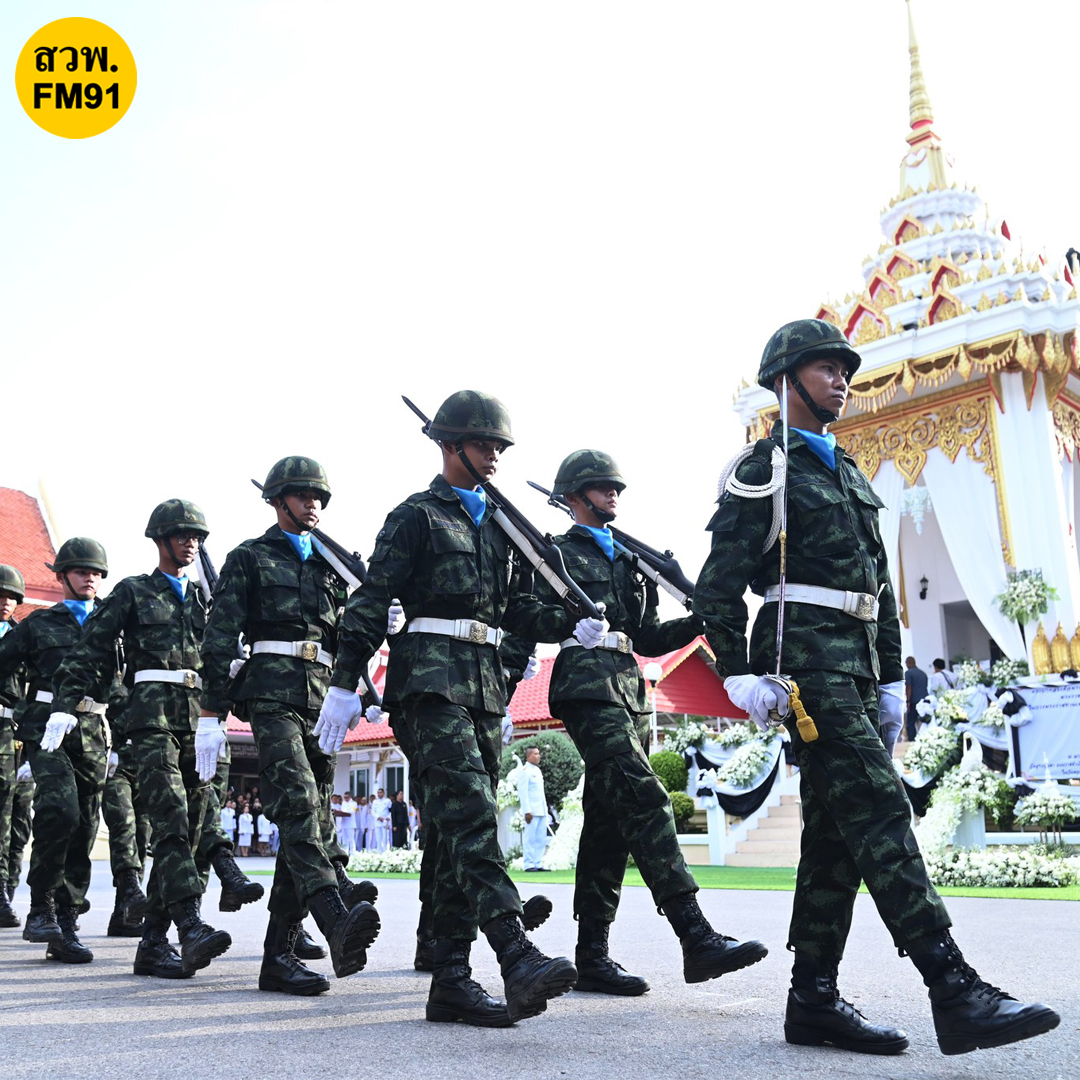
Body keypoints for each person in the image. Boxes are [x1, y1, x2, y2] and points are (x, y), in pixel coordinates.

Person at [695, 318, 1060, 1057]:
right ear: (785, 380)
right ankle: (953, 988)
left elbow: (881, 588)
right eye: (825, 368)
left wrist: (892, 679)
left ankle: (813, 1000)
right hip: (805, 670)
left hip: (858, 670)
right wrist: (736, 672)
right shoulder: (763, 471)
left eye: (844, 369)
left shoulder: (850, 473)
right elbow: (717, 589)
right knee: (879, 806)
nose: (842, 380)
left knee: (835, 836)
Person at [319, 389, 588, 1027]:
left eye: (499, 446)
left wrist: (571, 622)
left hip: (484, 690)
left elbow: (518, 612)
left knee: (450, 836)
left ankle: (451, 978)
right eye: (483, 444)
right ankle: (515, 953)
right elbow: (371, 600)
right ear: (449, 445)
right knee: (471, 814)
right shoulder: (415, 516)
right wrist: (345, 681)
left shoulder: (501, 528)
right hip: (428, 685)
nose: (494, 455)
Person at [536, 449, 767, 995]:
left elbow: (647, 638)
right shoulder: (554, 554)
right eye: (601, 486)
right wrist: (566, 621)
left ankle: (592, 955)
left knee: (609, 821)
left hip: (629, 691)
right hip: (585, 687)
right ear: (574, 497)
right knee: (643, 796)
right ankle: (695, 935)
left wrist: (697, 620)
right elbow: (525, 613)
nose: (613, 493)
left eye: (616, 486)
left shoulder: (627, 561)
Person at [200, 456, 379, 997]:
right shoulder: (250, 557)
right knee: (298, 802)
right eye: (302, 496)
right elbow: (219, 636)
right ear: (278, 501)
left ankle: (278, 955)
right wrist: (210, 714)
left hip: (321, 700)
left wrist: (379, 626)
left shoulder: (333, 566)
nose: (312, 504)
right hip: (270, 694)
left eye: (318, 497)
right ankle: (333, 914)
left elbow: (345, 636)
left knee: (314, 816)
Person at [54, 505, 231, 979]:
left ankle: (153, 941)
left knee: (193, 829)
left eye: (196, 536)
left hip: (199, 723)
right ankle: (190, 924)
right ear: (160, 539)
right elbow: (89, 650)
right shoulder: (133, 592)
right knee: (170, 818)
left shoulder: (208, 598)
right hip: (150, 720)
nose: (191, 543)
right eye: (181, 535)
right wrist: (63, 705)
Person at [0, 540, 115, 964]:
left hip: (93, 731)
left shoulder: (111, 623)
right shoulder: (38, 624)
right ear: (62, 576)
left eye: (96, 573)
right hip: (46, 730)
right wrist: (15, 710)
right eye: (82, 571)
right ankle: (41, 907)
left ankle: (66, 924)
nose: (90, 578)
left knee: (85, 825)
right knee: (60, 811)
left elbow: (124, 681)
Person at [0, 565, 27, 929]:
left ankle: (9, 887)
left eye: (12, 597)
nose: (6, 602)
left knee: (20, 818)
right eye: (0, 595)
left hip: (20, 735)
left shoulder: (25, 638)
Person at [517, 747, 549, 871]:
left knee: (541, 838)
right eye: (536, 754)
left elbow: (540, 793)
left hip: (541, 809)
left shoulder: (537, 770)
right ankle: (529, 864)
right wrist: (527, 811)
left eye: (538, 753)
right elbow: (523, 792)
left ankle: (538, 862)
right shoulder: (524, 771)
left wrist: (545, 809)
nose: (538, 756)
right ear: (528, 756)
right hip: (532, 811)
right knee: (530, 838)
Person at [903, 657, 929, 743]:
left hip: (914, 701)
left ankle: (912, 741)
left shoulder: (908, 673)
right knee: (924, 721)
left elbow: (908, 687)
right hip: (925, 701)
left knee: (910, 723)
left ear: (908, 663)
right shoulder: (923, 673)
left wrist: (908, 701)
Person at [369, 788, 391, 852]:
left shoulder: (387, 801)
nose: (379, 794)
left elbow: (391, 811)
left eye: (380, 792)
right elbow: (373, 812)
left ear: (383, 793)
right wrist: (378, 817)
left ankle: (385, 851)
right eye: (378, 793)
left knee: (385, 838)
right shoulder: (375, 801)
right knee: (378, 839)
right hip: (377, 821)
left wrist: (388, 817)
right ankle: (379, 852)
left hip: (385, 821)